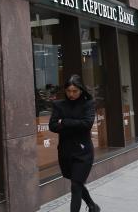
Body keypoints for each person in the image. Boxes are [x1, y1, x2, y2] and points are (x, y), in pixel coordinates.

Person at [49, 75, 101, 212]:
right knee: (75, 183)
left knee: (75, 185)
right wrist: (74, 124)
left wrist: (64, 122)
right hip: (65, 152)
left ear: (81, 90)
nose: (71, 94)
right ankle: (92, 206)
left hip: (83, 152)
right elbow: (52, 126)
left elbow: (86, 124)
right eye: (68, 91)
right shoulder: (59, 105)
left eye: (75, 91)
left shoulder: (88, 104)